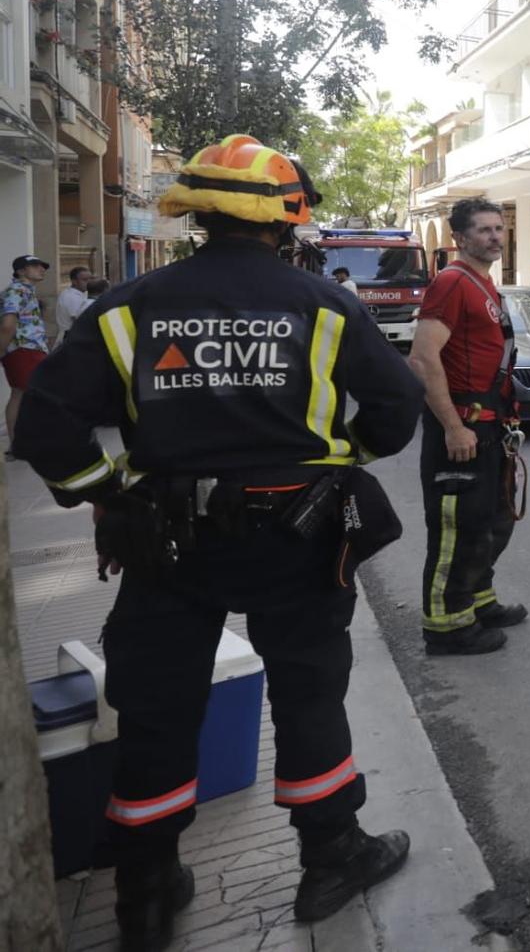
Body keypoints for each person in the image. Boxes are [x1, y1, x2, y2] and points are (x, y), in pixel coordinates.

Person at [16, 135, 425, 947]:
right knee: (309, 691)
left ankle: (146, 892)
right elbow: (397, 407)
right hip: (301, 539)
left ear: (196, 214)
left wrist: (107, 494)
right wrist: (342, 463)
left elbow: (45, 424)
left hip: (166, 540)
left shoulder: (128, 307)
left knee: (158, 707)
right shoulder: (324, 305)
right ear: (286, 217)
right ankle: (330, 855)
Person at [407, 197, 525, 656]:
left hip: (492, 426)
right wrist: (454, 428)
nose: (495, 236)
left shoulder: (484, 285)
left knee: (493, 522)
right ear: (459, 238)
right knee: (459, 527)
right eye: (483, 230)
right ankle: (447, 627)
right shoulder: (452, 283)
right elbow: (422, 357)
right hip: (462, 428)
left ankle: (478, 601)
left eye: (499, 228)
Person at [1, 253, 51, 456]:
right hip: (24, 349)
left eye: (42, 265)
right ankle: (21, 444)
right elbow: (8, 325)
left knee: (20, 395)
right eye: (35, 266)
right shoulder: (16, 291)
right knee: (29, 395)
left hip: (30, 348)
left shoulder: (25, 291)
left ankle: (20, 444)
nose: (41, 269)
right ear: (21, 271)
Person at [56, 264, 92, 340]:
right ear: (74, 281)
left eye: (90, 279)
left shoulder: (80, 293)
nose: (89, 282)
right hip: (71, 337)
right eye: (85, 280)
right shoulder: (71, 297)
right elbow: (80, 321)